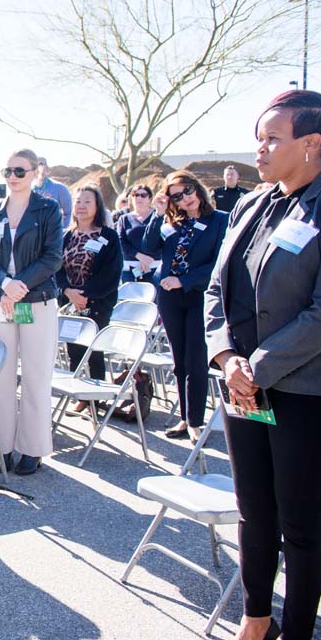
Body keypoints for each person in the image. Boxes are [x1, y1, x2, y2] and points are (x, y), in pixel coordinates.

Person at [203, 89, 321, 640]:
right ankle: (258, 619)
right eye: (259, 137)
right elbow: (216, 292)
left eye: (272, 138)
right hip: (241, 386)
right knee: (254, 509)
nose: (260, 148)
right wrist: (228, 357)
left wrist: (256, 368)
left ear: (311, 145)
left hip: (304, 391)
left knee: (300, 522)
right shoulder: (252, 204)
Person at [0, 149, 64, 476]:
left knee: (35, 375)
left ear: (34, 172)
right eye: (8, 171)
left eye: (19, 171)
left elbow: (52, 257)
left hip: (36, 301)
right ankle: (3, 446)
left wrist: (20, 286)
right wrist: (6, 284)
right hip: (0, 302)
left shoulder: (48, 209)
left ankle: (32, 448)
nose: (12, 177)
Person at [142, 170, 228, 440]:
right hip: (170, 298)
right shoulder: (172, 224)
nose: (185, 198)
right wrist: (158, 213)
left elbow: (219, 264)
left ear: (197, 188)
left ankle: (195, 420)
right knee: (179, 360)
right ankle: (184, 418)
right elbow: (149, 247)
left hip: (200, 296)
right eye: (176, 196)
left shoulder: (220, 221)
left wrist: (185, 280)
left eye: (187, 190)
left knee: (196, 358)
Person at [56, 185, 120, 380]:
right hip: (69, 303)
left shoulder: (108, 236)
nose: (81, 206)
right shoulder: (66, 235)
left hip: (96, 303)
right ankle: (80, 395)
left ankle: (96, 398)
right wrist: (68, 292)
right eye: (78, 202)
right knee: (73, 350)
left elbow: (111, 273)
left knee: (94, 352)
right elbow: (56, 268)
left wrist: (84, 295)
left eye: (87, 202)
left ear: (97, 206)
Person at [116, 183, 159, 282]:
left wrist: (148, 259)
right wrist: (139, 256)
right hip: (131, 269)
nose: (139, 198)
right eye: (135, 195)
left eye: (143, 195)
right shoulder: (124, 219)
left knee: (156, 297)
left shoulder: (158, 216)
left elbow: (163, 240)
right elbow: (120, 241)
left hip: (154, 266)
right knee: (130, 297)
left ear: (150, 198)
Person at [33, 155, 73, 227]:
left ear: (47, 168)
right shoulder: (27, 189)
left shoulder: (59, 188)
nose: (38, 167)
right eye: (35, 165)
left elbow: (68, 213)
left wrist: (62, 230)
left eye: (41, 164)